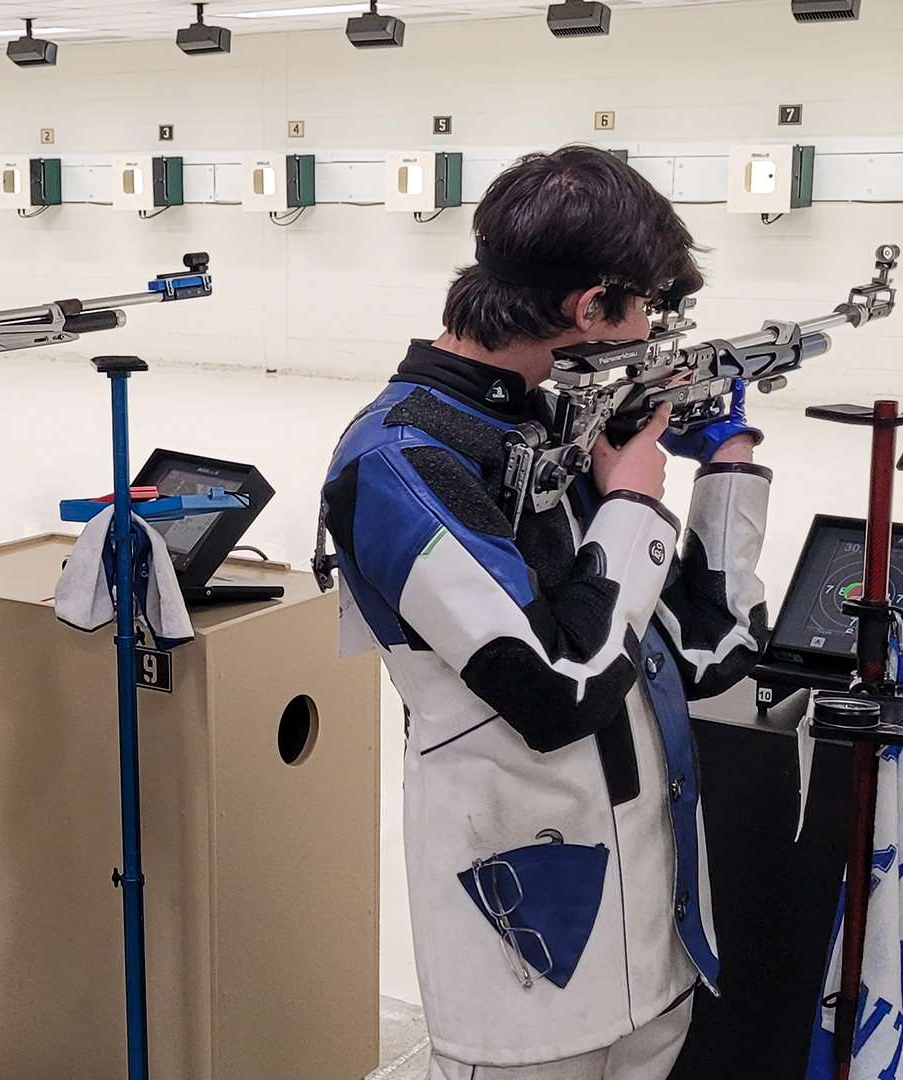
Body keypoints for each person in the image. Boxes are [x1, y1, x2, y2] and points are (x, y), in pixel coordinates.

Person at [318, 146, 771, 1080]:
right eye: (646, 306)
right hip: (526, 942)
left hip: (657, 932)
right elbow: (558, 689)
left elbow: (709, 647)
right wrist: (636, 506)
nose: (654, 329)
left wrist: (726, 467)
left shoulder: (551, 427)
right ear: (590, 308)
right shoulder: (398, 464)